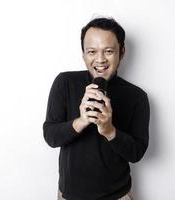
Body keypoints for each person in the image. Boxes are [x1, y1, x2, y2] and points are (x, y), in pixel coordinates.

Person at [43, 17, 150, 200]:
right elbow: (51, 136)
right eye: (91, 51)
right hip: (69, 196)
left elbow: (137, 153)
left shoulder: (137, 97)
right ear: (83, 54)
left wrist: (109, 131)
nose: (100, 60)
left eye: (108, 51)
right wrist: (81, 121)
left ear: (121, 52)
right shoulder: (65, 83)